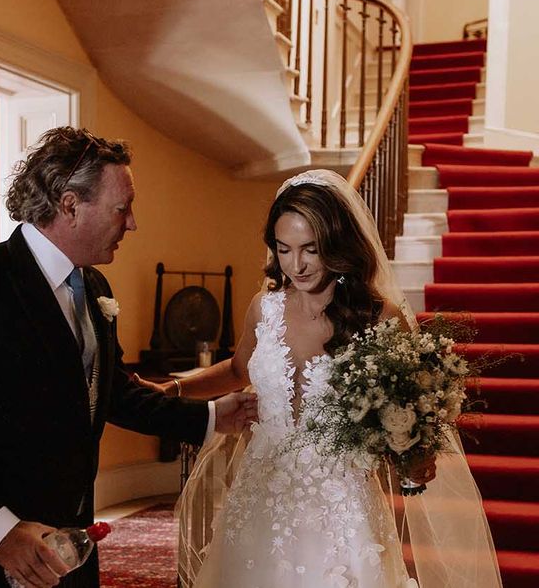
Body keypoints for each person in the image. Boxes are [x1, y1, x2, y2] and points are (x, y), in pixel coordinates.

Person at [0, 127, 257, 588]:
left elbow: (111, 391)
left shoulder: (94, 288)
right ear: (69, 205)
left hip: (71, 550)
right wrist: (2, 534)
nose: (132, 224)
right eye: (122, 208)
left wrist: (208, 418)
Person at [137, 169, 502, 587]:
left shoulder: (378, 318)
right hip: (260, 495)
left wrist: (414, 456)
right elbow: (239, 370)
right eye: (284, 249)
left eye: (310, 249)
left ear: (336, 243)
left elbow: (409, 410)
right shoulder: (264, 307)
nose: (297, 265)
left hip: (340, 507)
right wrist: (171, 391)